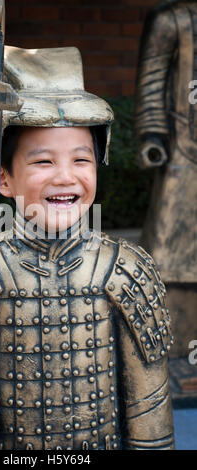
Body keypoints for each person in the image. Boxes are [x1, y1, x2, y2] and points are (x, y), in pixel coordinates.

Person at [0, 45, 175, 450]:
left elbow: (149, 407)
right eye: (43, 162)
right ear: (4, 179)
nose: (65, 176)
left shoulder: (126, 268)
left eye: (82, 160)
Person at [135, 0, 197, 358]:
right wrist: (152, 137)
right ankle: (170, 347)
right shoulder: (172, 20)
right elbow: (152, 79)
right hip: (182, 154)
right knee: (169, 253)